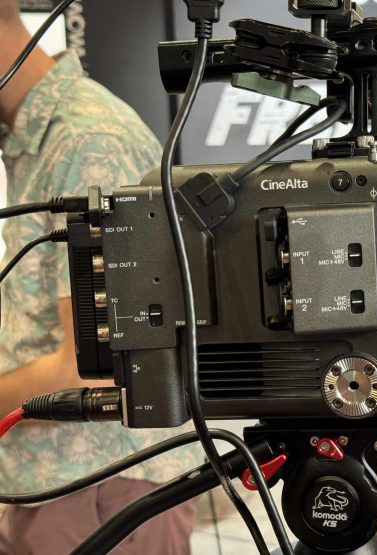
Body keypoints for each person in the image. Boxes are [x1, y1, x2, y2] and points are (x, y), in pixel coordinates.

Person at [0, 3, 202, 553]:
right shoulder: (37, 140)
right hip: (60, 488)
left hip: (102, 489)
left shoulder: (87, 142)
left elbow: (93, 366)